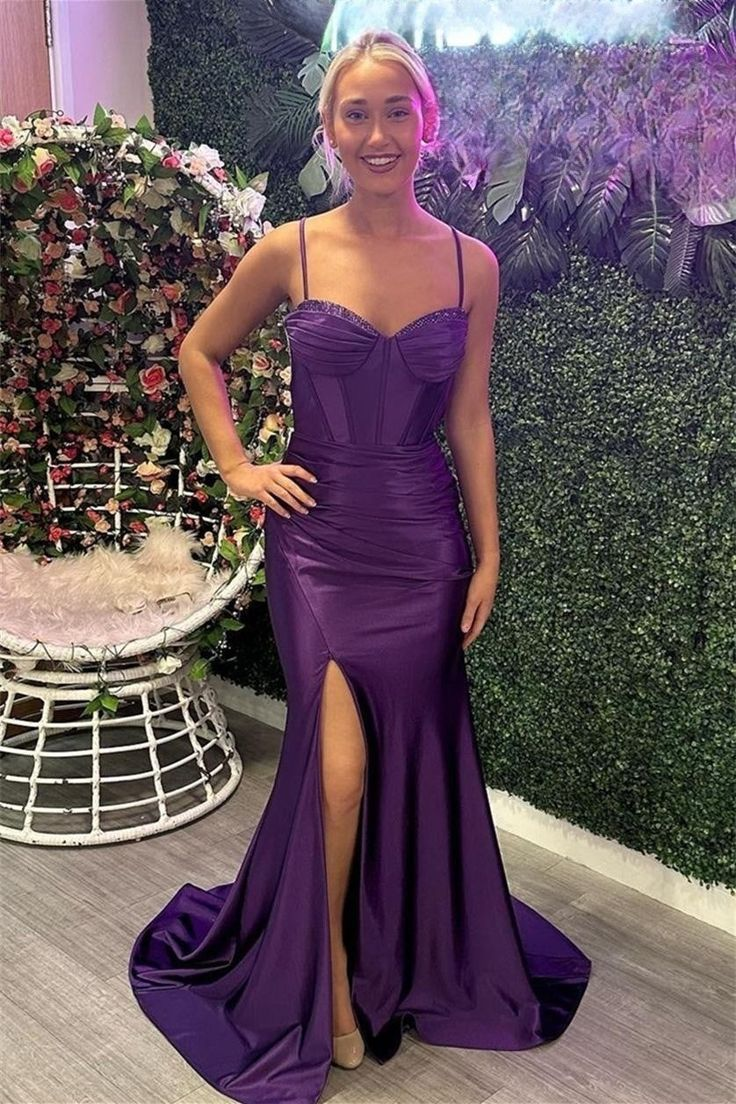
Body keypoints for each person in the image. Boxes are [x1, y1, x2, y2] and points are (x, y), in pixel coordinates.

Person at [129, 28, 591, 1104]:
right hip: (320, 538)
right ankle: (330, 970)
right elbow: (200, 352)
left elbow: (468, 416)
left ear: (427, 126)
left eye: (396, 112)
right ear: (328, 130)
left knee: (411, 757)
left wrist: (489, 550)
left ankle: (404, 944)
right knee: (338, 774)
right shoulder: (288, 250)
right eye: (356, 114)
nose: (376, 133)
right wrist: (238, 465)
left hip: (423, 541)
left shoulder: (471, 264)